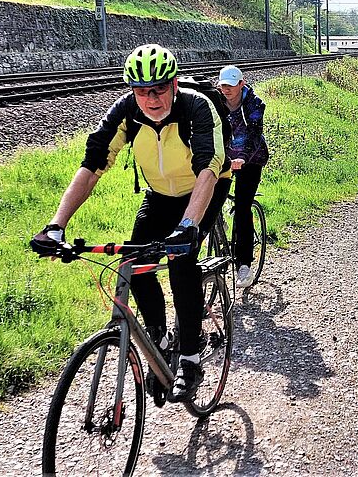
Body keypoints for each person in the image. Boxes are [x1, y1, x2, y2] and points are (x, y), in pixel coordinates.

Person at [30, 44, 231, 402]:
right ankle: (159, 338)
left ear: (172, 85)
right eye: (141, 90)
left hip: (204, 188)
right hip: (159, 195)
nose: (150, 98)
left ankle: (190, 356)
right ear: (131, 90)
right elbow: (92, 165)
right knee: (135, 265)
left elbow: (208, 168)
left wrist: (188, 226)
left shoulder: (196, 107)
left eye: (157, 89)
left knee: (180, 264)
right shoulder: (126, 112)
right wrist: (56, 225)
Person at [217, 65, 269, 288]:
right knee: (207, 195)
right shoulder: (215, 102)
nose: (226, 90)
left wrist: (243, 158)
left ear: (241, 84)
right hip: (225, 157)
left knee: (242, 206)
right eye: (223, 86)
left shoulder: (254, 104)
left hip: (251, 159)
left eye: (230, 86)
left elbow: (254, 134)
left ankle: (244, 265)